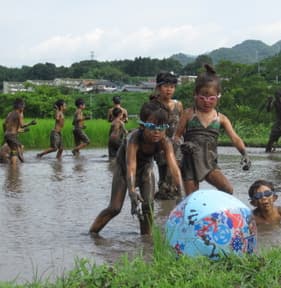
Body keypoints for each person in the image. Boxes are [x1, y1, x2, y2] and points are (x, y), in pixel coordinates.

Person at [89, 102, 184, 235]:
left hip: (145, 169)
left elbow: (174, 168)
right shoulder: (134, 139)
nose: (157, 132)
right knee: (115, 208)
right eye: (152, 126)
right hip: (124, 171)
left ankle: (146, 239)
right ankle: (93, 232)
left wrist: (182, 193)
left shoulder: (165, 142)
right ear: (142, 125)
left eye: (161, 127)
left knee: (148, 206)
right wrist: (132, 190)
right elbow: (131, 165)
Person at [174, 64, 251, 196]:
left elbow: (235, 138)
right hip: (190, 164)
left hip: (210, 163)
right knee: (191, 199)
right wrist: (182, 145)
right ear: (195, 95)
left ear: (218, 97)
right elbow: (176, 136)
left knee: (228, 190)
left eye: (211, 98)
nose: (207, 102)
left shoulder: (221, 118)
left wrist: (244, 153)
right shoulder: (188, 114)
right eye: (202, 98)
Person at [150, 71, 184, 200]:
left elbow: (181, 125)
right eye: (166, 86)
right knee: (163, 177)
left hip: (177, 145)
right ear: (159, 88)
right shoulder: (153, 106)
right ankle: (163, 205)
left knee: (174, 175)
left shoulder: (178, 105)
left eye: (172, 86)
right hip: (161, 145)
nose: (169, 90)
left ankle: (173, 202)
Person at [3, 98, 36, 165]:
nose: (24, 108)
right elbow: (22, 125)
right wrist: (31, 123)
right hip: (12, 135)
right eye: (23, 107)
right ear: (20, 106)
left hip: (7, 135)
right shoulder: (18, 114)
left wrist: (6, 131)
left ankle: (13, 167)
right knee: (19, 148)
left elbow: (4, 123)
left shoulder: (10, 113)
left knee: (14, 151)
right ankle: (17, 166)